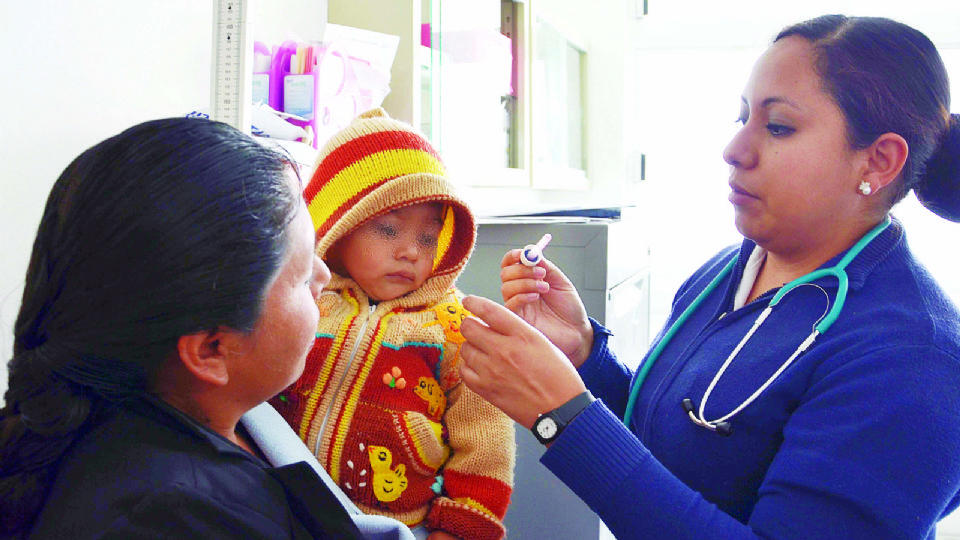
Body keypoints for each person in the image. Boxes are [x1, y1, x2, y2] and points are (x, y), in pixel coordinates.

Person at [458, 14, 960, 539]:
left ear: (878, 162)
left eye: (779, 126)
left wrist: (559, 416)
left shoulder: (915, 362)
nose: (735, 150)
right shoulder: (729, 270)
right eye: (743, 117)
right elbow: (680, 441)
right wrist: (585, 354)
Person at [0, 117, 415, 539]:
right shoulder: (176, 519)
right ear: (212, 349)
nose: (325, 278)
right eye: (304, 274)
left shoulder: (219, 409)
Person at [270, 109, 515, 540]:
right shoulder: (301, 298)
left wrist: (461, 528)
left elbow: (486, 440)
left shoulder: (455, 327)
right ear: (336, 225)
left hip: (397, 527)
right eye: (388, 230)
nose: (411, 252)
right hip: (278, 510)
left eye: (427, 237)